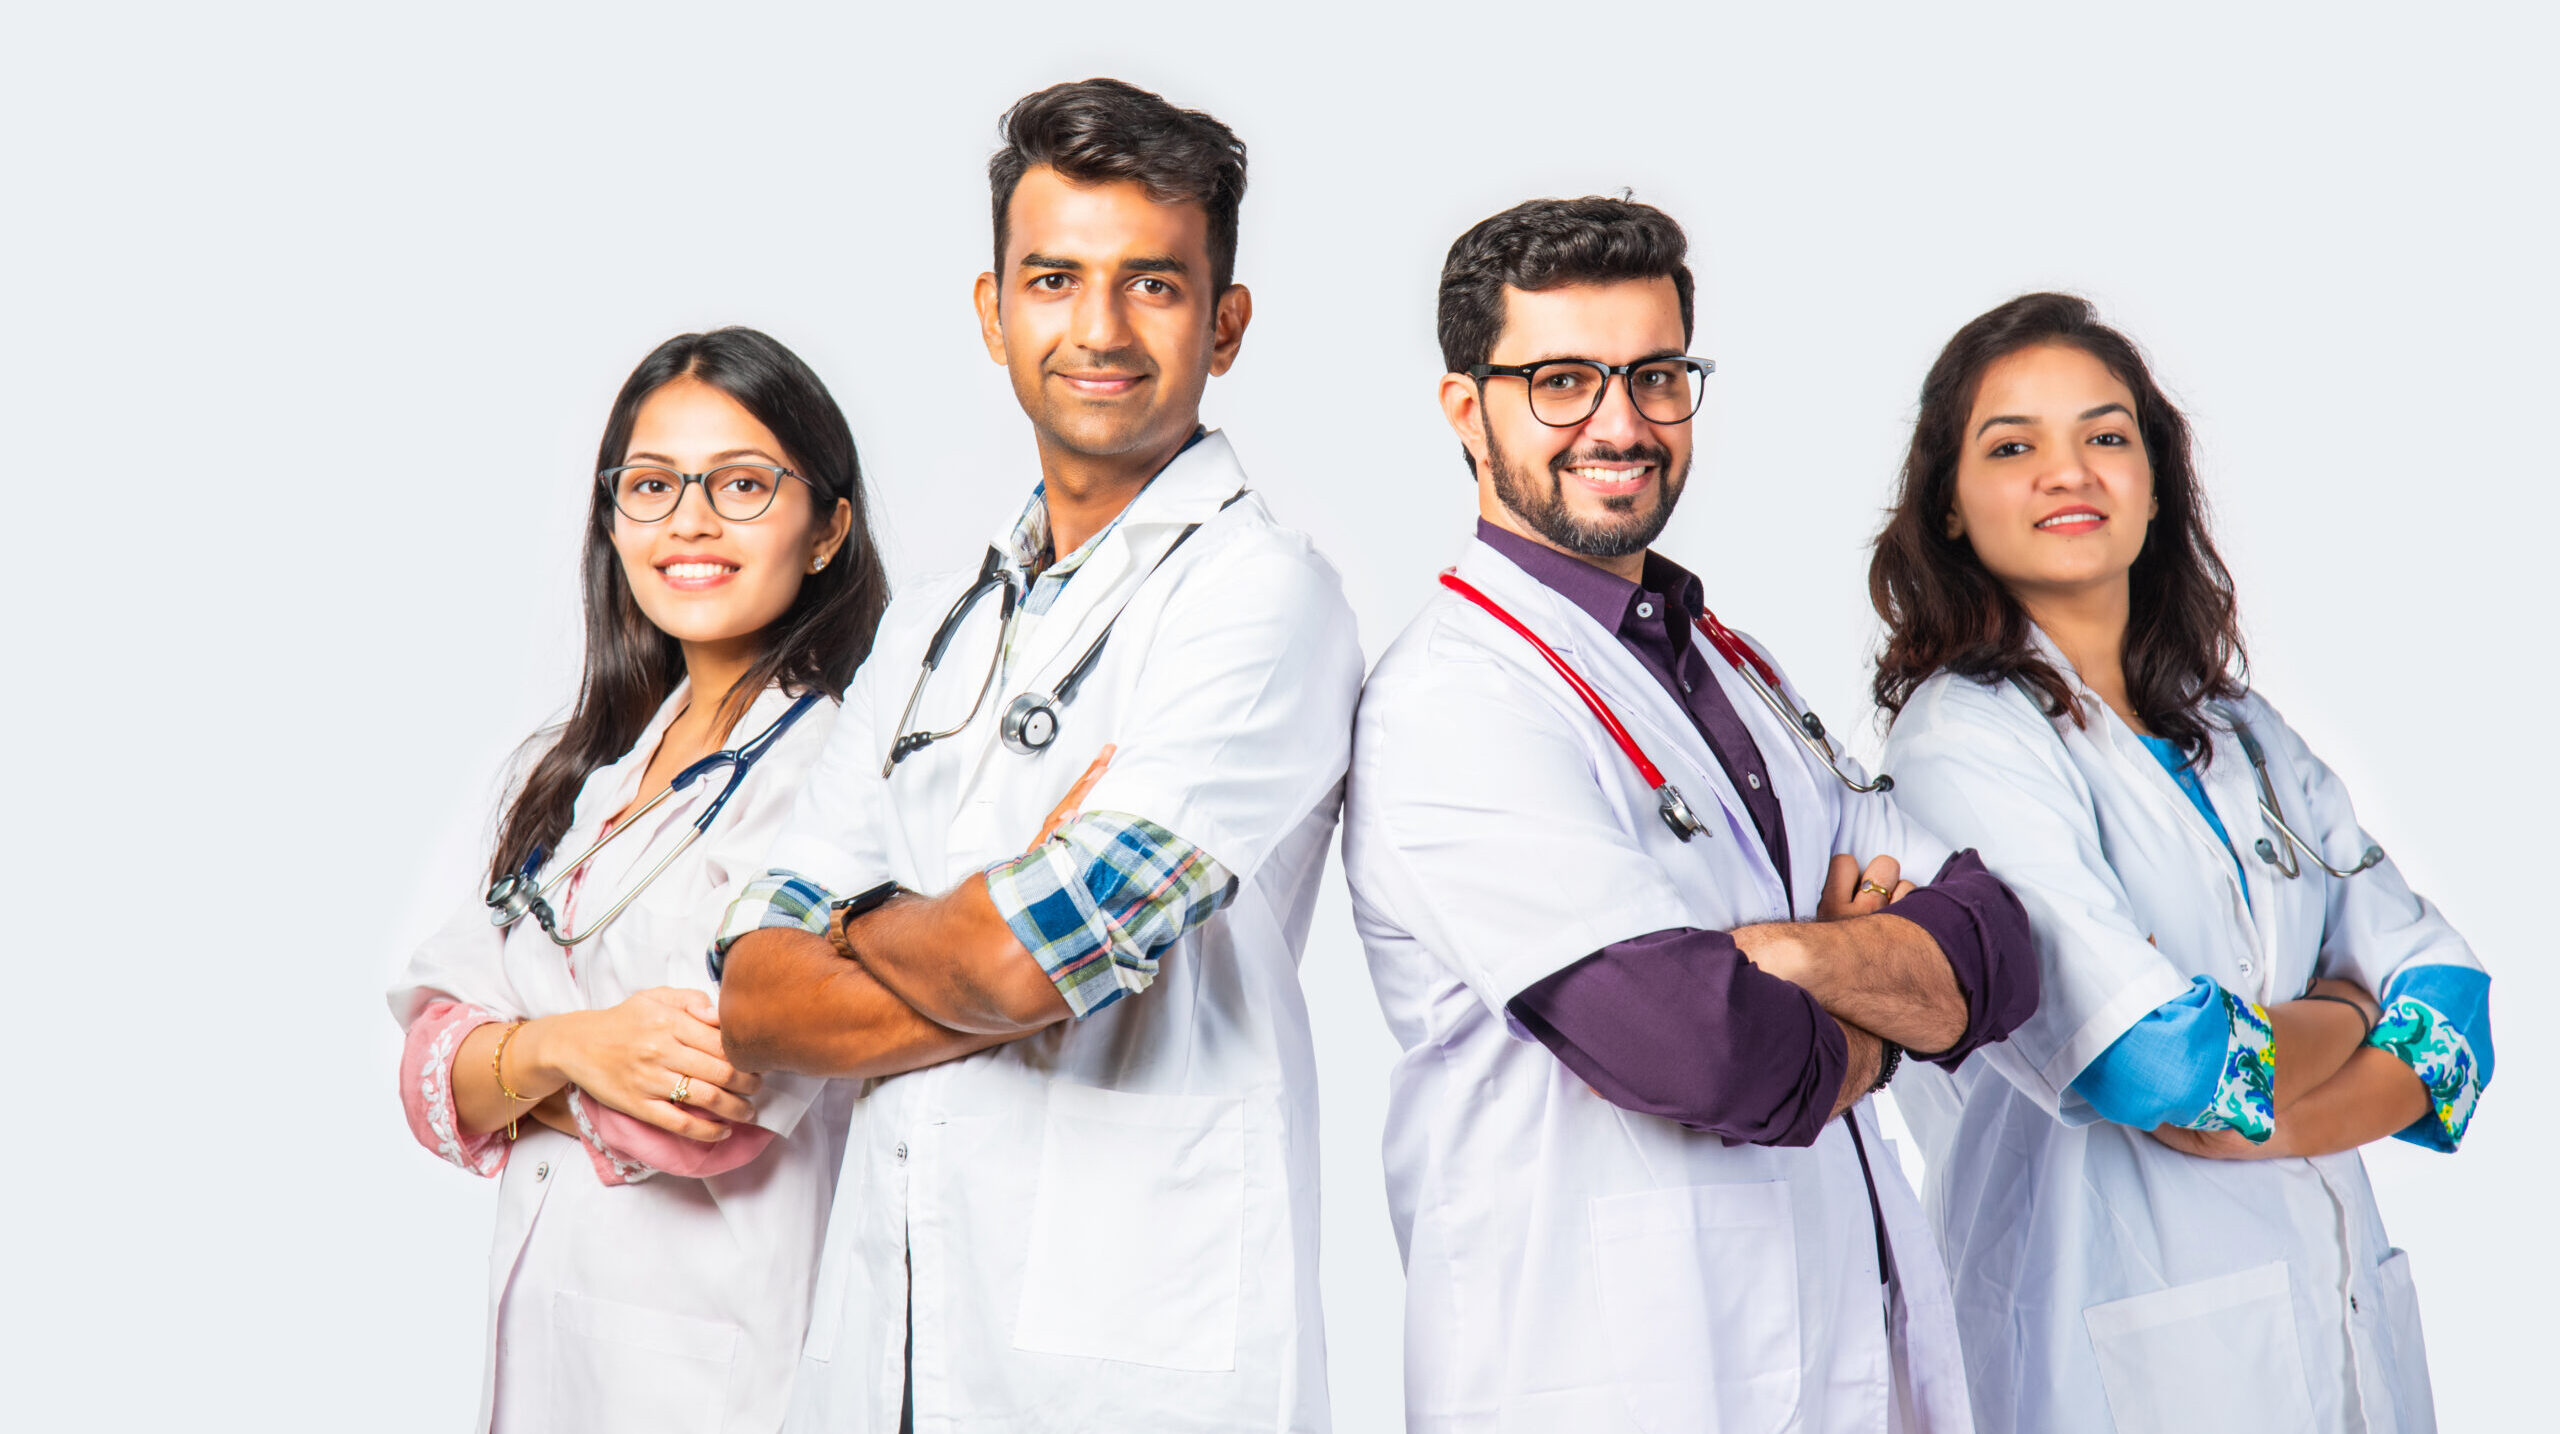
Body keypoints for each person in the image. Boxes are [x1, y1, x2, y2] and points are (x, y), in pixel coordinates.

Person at [712, 79, 1361, 1432]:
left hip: (1131, 1358)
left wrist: (859, 923)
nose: (1099, 330)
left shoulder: (1260, 597)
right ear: (993, 310)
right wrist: (975, 930)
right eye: (1054, 279)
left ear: (1226, 324)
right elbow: (755, 992)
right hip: (893, 1345)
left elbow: (1034, 953)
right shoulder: (939, 620)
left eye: (1154, 286)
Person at [1340, 195, 2039, 1432]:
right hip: (1609, 1380)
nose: (1620, 424)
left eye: (1655, 376)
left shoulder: (1732, 667)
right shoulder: (1451, 702)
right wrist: (1875, 1021)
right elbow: (1701, 1048)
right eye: (1560, 380)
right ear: (1466, 409)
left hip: (1837, 1362)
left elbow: (1994, 943)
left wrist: (1781, 957)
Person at [1871, 292, 2492, 1434]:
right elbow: (2153, 1063)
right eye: (2012, 446)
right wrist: (2352, 1007)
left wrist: (2292, 1111)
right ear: (1948, 506)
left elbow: (2453, 1017)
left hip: (2343, 1330)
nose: (2069, 472)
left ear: (2154, 482)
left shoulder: (2239, 728)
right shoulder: (1963, 742)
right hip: (2112, 1342)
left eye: (2106, 437)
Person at [388, 327, 883, 1433]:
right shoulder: (585, 773)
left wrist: (511, 1065)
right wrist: (573, 1047)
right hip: (555, 1353)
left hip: (711, 1369)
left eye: (743, 484)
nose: (690, 521)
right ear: (612, 522)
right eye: (651, 485)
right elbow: (426, 1068)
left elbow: (709, 1103)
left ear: (826, 530)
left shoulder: (837, 777)